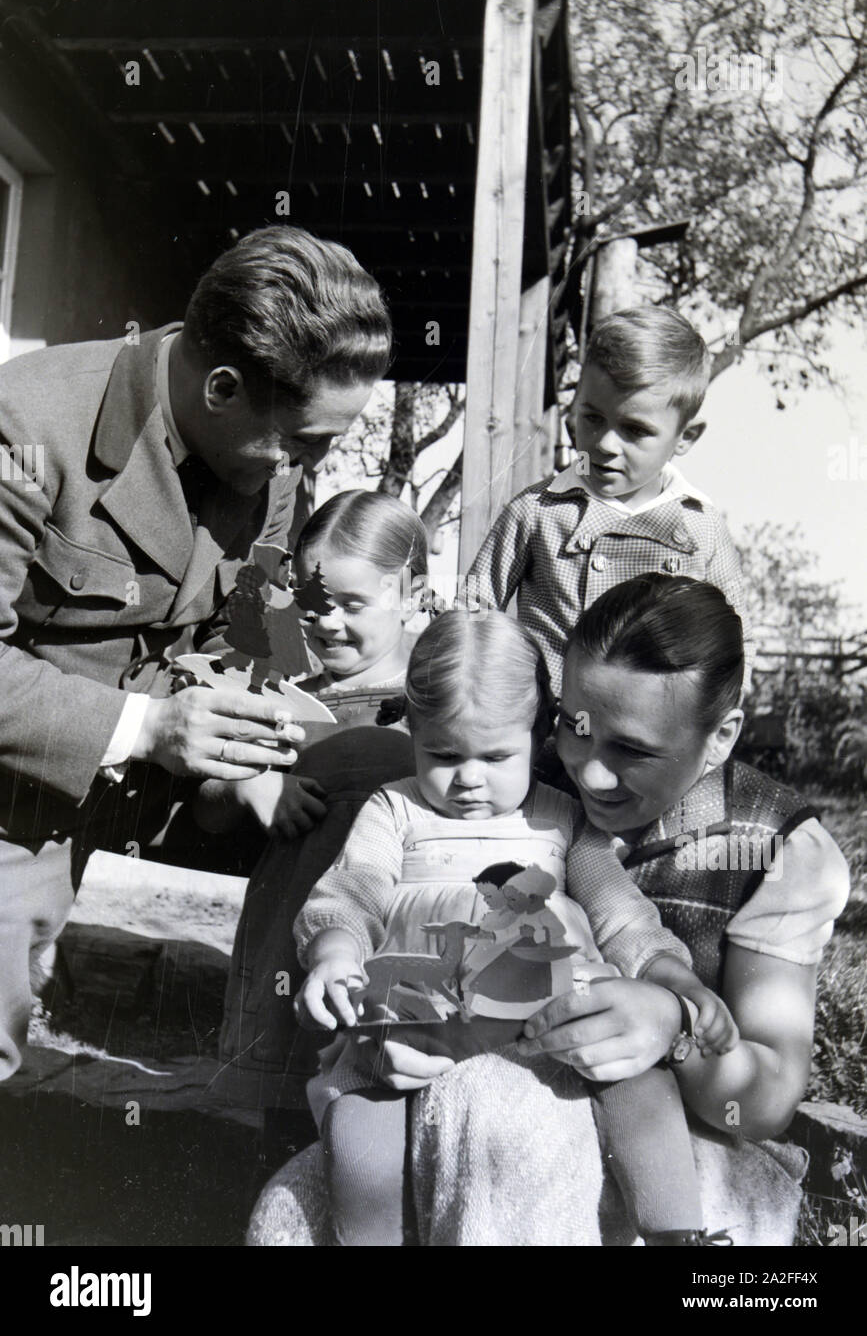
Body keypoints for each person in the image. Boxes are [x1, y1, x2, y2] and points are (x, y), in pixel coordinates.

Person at [248, 578, 849, 1247]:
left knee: (501, 1112)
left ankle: (681, 1235)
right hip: (436, 1050)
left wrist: (671, 1014)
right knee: (290, 1218)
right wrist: (357, 976)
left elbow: (757, 1095)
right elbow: (358, 883)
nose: (589, 774)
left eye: (633, 750)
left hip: (647, 1112)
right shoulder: (468, 791)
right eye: (574, 728)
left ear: (720, 736)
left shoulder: (769, 846)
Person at [0, 227, 390, 1082]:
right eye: (307, 441)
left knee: (371, 779)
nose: (316, 464)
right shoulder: (25, 428)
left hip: (159, 792)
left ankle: (289, 1101)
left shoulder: (272, 464)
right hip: (17, 799)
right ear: (222, 388)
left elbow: (255, 623)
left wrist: (258, 744)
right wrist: (148, 726)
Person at [207, 490, 429, 1123]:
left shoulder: (434, 693)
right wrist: (250, 785)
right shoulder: (279, 689)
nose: (327, 622)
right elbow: (207, 809)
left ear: (408, 591)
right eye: (311, 601)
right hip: (284, 935)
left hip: (398, 925)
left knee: (384, 1099)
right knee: (275, 1112)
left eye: (352, 604)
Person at [463, 305, 752, 696]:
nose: (604, 444)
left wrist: (708, 728)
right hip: (544, 726)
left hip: (651, 735)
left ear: (685, 437)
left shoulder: (700, 528)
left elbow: (736, 643)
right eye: (592, 418)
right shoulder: (538, 510)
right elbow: (471, 613)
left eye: (634, 429)